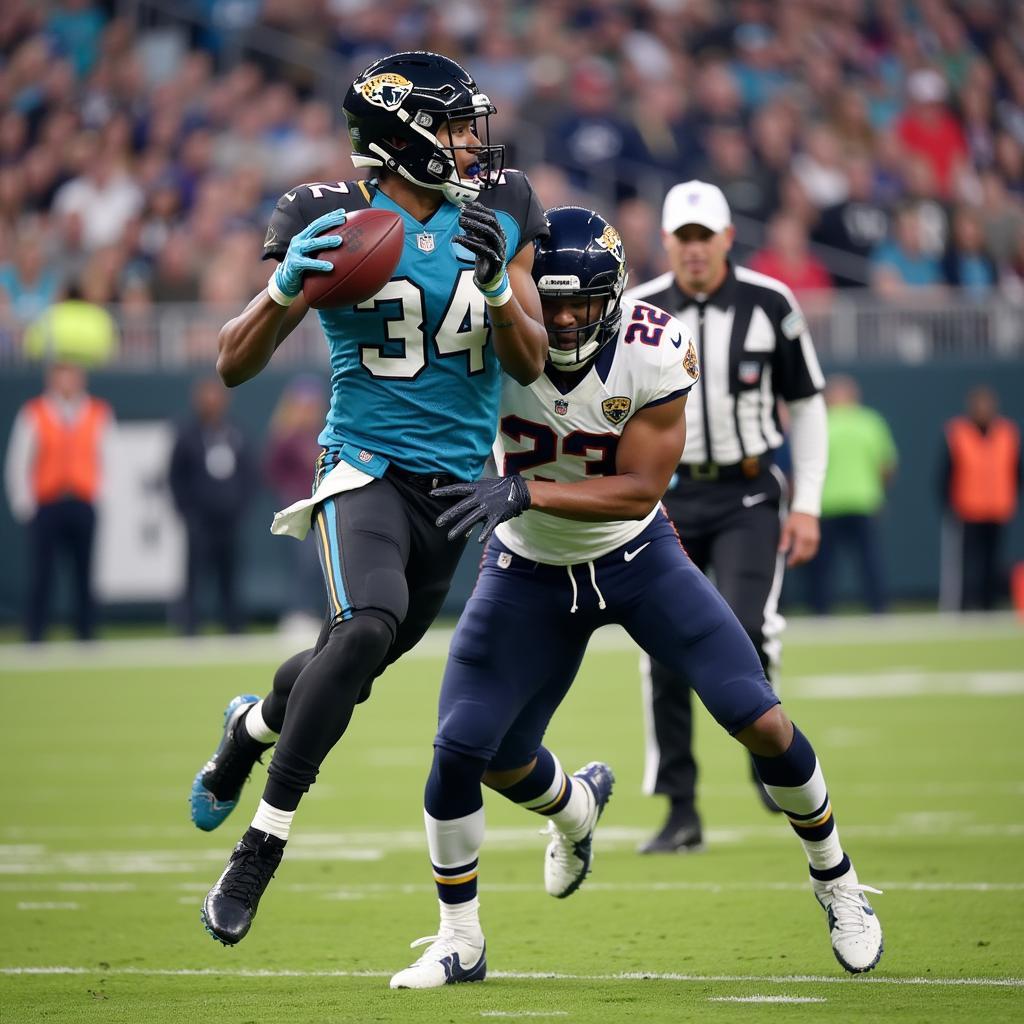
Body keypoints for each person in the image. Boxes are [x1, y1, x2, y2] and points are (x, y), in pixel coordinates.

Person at [387, 206, 882, 989]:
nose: (566, 318)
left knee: (755, 713)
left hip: (633, 556)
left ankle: (838, 882)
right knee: (467, 752)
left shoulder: (653, 349)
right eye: (550, 301)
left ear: (613, 297)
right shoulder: (490, 334)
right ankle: (467, 931)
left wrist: (527, 490)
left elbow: (642, 489)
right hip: (525, 569)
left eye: (583, 302)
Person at [189, 51, 549, 947]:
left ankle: (252, 725)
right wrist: (279, 292)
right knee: (362, 627)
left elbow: (532, 362)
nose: (474, 144)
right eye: (457, 127)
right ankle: (261, 844)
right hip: (365, 467)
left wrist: (501, 290)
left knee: (347, 666)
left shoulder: (503, 212)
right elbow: (233, 364)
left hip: (457, 487)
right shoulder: (327, 216)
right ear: (407, 137)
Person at [626, 181, 828, 854]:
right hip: (665, 499)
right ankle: (680, 808)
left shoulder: (771, 303)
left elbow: (807, 406)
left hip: (746, 494)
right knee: (663, 649)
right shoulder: (639, 309)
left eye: (703, 236)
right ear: (666, 242)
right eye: (681, 238)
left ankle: (764, 744)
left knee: (742, 626)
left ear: (726, 238)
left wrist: (805, 503)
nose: (692, 250)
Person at [3, 360, 114, 641]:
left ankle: (86, 633)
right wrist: (26, 505)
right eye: (62, 377)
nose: (67, 383)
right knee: (42, 574)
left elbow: (109, 459)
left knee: (84, 573)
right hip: (48, 503)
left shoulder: (97, 412)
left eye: (72, 377)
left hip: (82, 501)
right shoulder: (35, 412)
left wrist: (101, 498)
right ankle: (36, 633)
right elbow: (19, 461)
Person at [168, 377, 256, 635]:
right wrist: (187, 511)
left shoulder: (236, 433)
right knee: (194, 575)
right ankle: (190, 626)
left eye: (216, 398)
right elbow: (175, 476)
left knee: (230, 574)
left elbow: (250, 474)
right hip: (200, 519)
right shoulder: (187, 435)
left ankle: (233, 625)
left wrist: (240, 507)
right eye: (207, 398)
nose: (212, 404)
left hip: (229, 518)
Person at [808, 376, 898, 615]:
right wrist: (878, 491)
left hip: (829, 503)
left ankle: (822, 611)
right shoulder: (870, 422)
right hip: (862, 501)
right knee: (868, 561)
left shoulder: (822, 423)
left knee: (826, 564)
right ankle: (878, 609)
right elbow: (887, 466)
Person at [939, 386, 1021, 611]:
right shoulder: (958, 432)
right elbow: (946, 472)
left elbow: (1016, 470)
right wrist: (949, 504)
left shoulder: (1007, 432)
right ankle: (965, 607)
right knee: (966, 563)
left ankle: (989, 606)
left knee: (993, 561)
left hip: (998, 506)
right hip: (968, 507)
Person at [264, 375, 329, 637]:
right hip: (299, 511)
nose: (307, 410)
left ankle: (319, 614)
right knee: (304, 564)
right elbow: (272, 472)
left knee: (323, 563)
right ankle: (298, 613)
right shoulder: (285, 437)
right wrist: (289, 494)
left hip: (323, 508)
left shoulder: (322, 434)